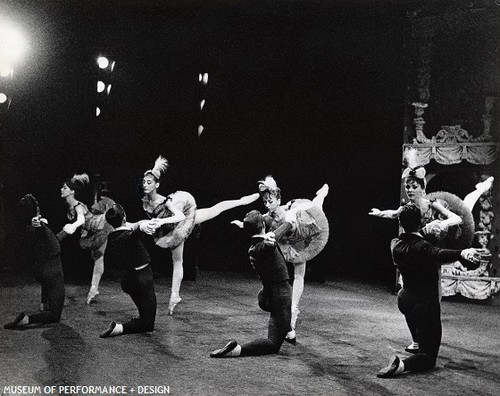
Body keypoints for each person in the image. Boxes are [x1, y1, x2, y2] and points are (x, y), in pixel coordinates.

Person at [132, 156, 260, 315]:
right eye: (144, 182)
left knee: (213, 212)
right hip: (167, 226)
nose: (145, 185)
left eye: (149, 182)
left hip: (182, 217)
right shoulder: (145, 201)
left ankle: (242, 201)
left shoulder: (165, 200)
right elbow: (153, 217)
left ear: (157, 185)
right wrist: (150, 224)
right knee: (177, 260)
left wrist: (158, 222)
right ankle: (175, 296)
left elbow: (180, 217)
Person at [377, 204, 481, 378]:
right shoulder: (423, 248)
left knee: (419, 333)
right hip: (424, 304)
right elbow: (438, 253)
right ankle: (401, 365)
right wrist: (462, 253)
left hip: (405, 300)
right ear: (420, 221)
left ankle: (416, 342)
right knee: (429, 357)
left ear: (401, 224)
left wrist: (423, 229)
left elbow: (413, 239)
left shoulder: (395, 244)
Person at [210, 209, 296, 357]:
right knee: (273, 343)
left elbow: (265, 237)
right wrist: (290, 218)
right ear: (263, 225)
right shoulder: (264, 245)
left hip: (268, 294)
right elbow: (274, 238)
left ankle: (288, 330)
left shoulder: (253, 247)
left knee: (283, 320)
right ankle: (237, 350)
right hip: (280, 295)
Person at [257, 175, 329, 343]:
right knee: (298, 273)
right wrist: (244, 224)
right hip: (294, 242)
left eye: (270, 201)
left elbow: (309, 207)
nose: (267, 204)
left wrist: (295, 211)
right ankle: (293, 312)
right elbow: (260, 220)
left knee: (318, 204)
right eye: (265, 201)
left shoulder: (288, 211)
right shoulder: (269, 216)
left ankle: (323, 193)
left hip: (306, 229)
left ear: (278, 199)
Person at [4, 194, 65, 329]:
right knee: (54, 316)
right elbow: (42, 231)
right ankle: (26, 320)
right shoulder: (37, 225)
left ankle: (43, 304)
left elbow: (51, 242)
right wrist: (39, 224)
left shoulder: (30, 227)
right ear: (36, 209)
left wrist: (63, 232)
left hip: (44, 268)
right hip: (52, 270)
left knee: (51, 304)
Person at [99, 203, 157, 338]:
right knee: (148, 324)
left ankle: (140, 319)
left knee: (144, 314)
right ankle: (119, 328)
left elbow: (129, 229)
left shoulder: (112, 237)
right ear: (124, 218)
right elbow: (132, 235)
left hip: (128, 281)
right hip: (142, 279)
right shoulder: (126, 236)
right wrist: (141, 228)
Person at [60, 173, 115, 304]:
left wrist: (73, 226)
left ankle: (94, 288)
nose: (61, 190)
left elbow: (80, 219)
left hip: (100, 226)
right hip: (90, 230)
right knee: (97, 258)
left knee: (99, 257)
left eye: (65, 188)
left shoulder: (78, 206)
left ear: (72, 191)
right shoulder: (69, 205)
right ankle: (94, 289)